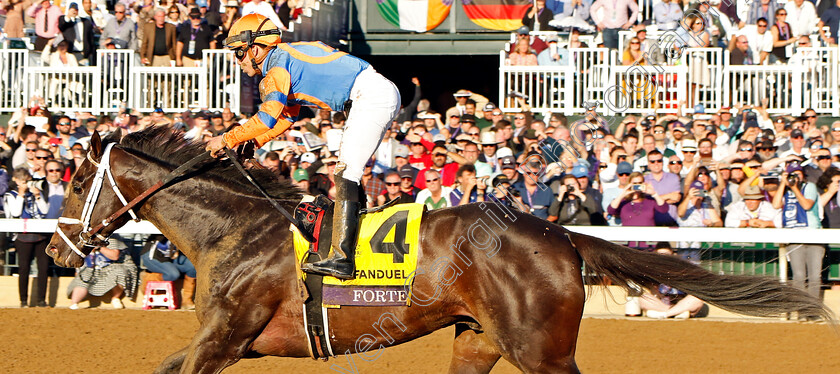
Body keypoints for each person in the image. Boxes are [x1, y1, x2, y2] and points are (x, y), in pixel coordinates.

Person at [203, 14, 400, 279]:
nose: (237, 61)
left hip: (370, 96)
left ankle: (343, 259)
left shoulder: (276, 71)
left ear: (257, 49)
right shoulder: (284, 59)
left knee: (345, 172)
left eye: (239, 53)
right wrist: (254, 141)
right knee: (347, 170)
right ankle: (357, 239)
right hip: (371, 94)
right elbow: (286, 116)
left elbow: (266, 118)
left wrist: (226, 139)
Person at [773, 163, 823, 300]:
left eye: (798, 173)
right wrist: (783, 184)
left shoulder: (810, 187)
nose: (795, 176)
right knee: (799, 276)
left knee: (814, 276)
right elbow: (776, 205)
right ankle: (801, 309)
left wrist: (795, 188)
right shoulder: (785, 191)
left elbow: (807, 205)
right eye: (792, 174)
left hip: (813, 235)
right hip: (793, 236)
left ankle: (812, 310)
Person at [4, 168, 49, 308]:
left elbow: (45, 211)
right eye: (24, 182)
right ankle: (23, 300)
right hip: (22, 235)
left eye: (28, 181)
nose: (27, 184)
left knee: (44, 268)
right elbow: (16, 212)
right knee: (24, 268)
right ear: (16, 181)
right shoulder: (10, 195)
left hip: (40, 234)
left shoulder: (33, 193)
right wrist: (21, 194)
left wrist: (38, 196)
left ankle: (41, 300)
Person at [66, 235, 139, 310]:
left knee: (120, 272)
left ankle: (115, 298)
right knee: (83, 278)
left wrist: (99, 248)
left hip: (113, 266)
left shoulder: (113, 238)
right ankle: (74, 304)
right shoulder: (83, 239)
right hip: (91, 268)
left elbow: (115, 256)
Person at [640, 243, 706, 319]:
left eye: (666, 255)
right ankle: (676, 313)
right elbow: (654, 293)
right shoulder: (652, 271)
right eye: (660, 255)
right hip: (664, 304)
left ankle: (665, 314)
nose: (663, 258)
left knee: (697, 299)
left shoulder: (682, 268)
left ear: (673, 255)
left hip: (682, 303)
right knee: (642, 298)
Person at [141, 235, 197, 309]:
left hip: (172, 253)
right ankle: (147, 278)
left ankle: (186, 301)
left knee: (192, 267)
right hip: (154, 252)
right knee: (173, 274)